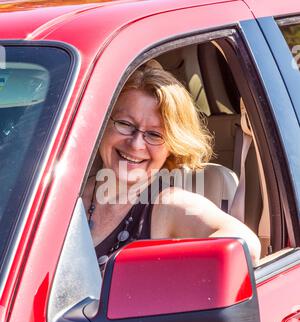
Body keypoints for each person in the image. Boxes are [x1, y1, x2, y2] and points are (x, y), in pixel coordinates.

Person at [83, 60, 261, 273]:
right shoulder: (67, 195)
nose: (136, 144)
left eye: (155, 135)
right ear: (102, 124)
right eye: (125, 124)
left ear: (172, 146)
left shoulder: (168, 205)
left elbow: (246, 247)